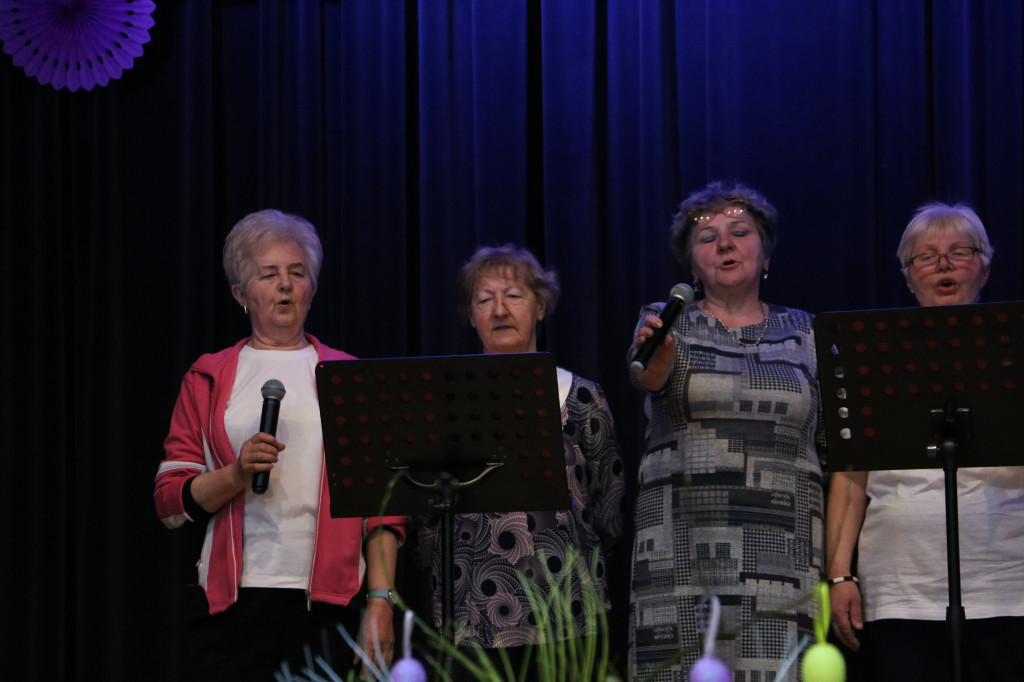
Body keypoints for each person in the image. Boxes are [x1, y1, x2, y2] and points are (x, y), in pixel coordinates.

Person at [153, 209, 406, 681]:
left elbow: (382, 511)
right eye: (269, 274)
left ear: (313, 288)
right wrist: (236, 474)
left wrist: (380, 601)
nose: (285, 285)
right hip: (232, 606)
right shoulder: (207, 376)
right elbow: (170, 502)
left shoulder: (351, 377)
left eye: (297, 272)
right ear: (240, 294)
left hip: (331, 606)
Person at [628, 181, 825, 680]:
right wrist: (658, 361)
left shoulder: (808, 332)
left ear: (765, 255)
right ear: (693, 269)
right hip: (681, 555)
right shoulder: (665, 322)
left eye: (739, 232)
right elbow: (645, 375)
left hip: (784, 554)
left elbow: (835, 444)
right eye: (708, 237)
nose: (724, 244)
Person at [826, 202, 1024, 681]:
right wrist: (839, 575)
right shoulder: (871, 360)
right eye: (926, 257)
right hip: (901, 587)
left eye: (960, 252)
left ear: (985, 268)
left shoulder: (1015, 353)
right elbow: (850, 477)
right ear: (908, 277)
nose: (943, 265)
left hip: (1007, 582)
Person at [416, 244, 626, 678]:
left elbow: (609, 506)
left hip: (568, 611)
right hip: (469, 615)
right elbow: (425, 515)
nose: (499, 310)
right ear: (470, 314)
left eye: (513, 296)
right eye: (484, 299)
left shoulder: (581, 397)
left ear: (540, 306)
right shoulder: (442, 401)